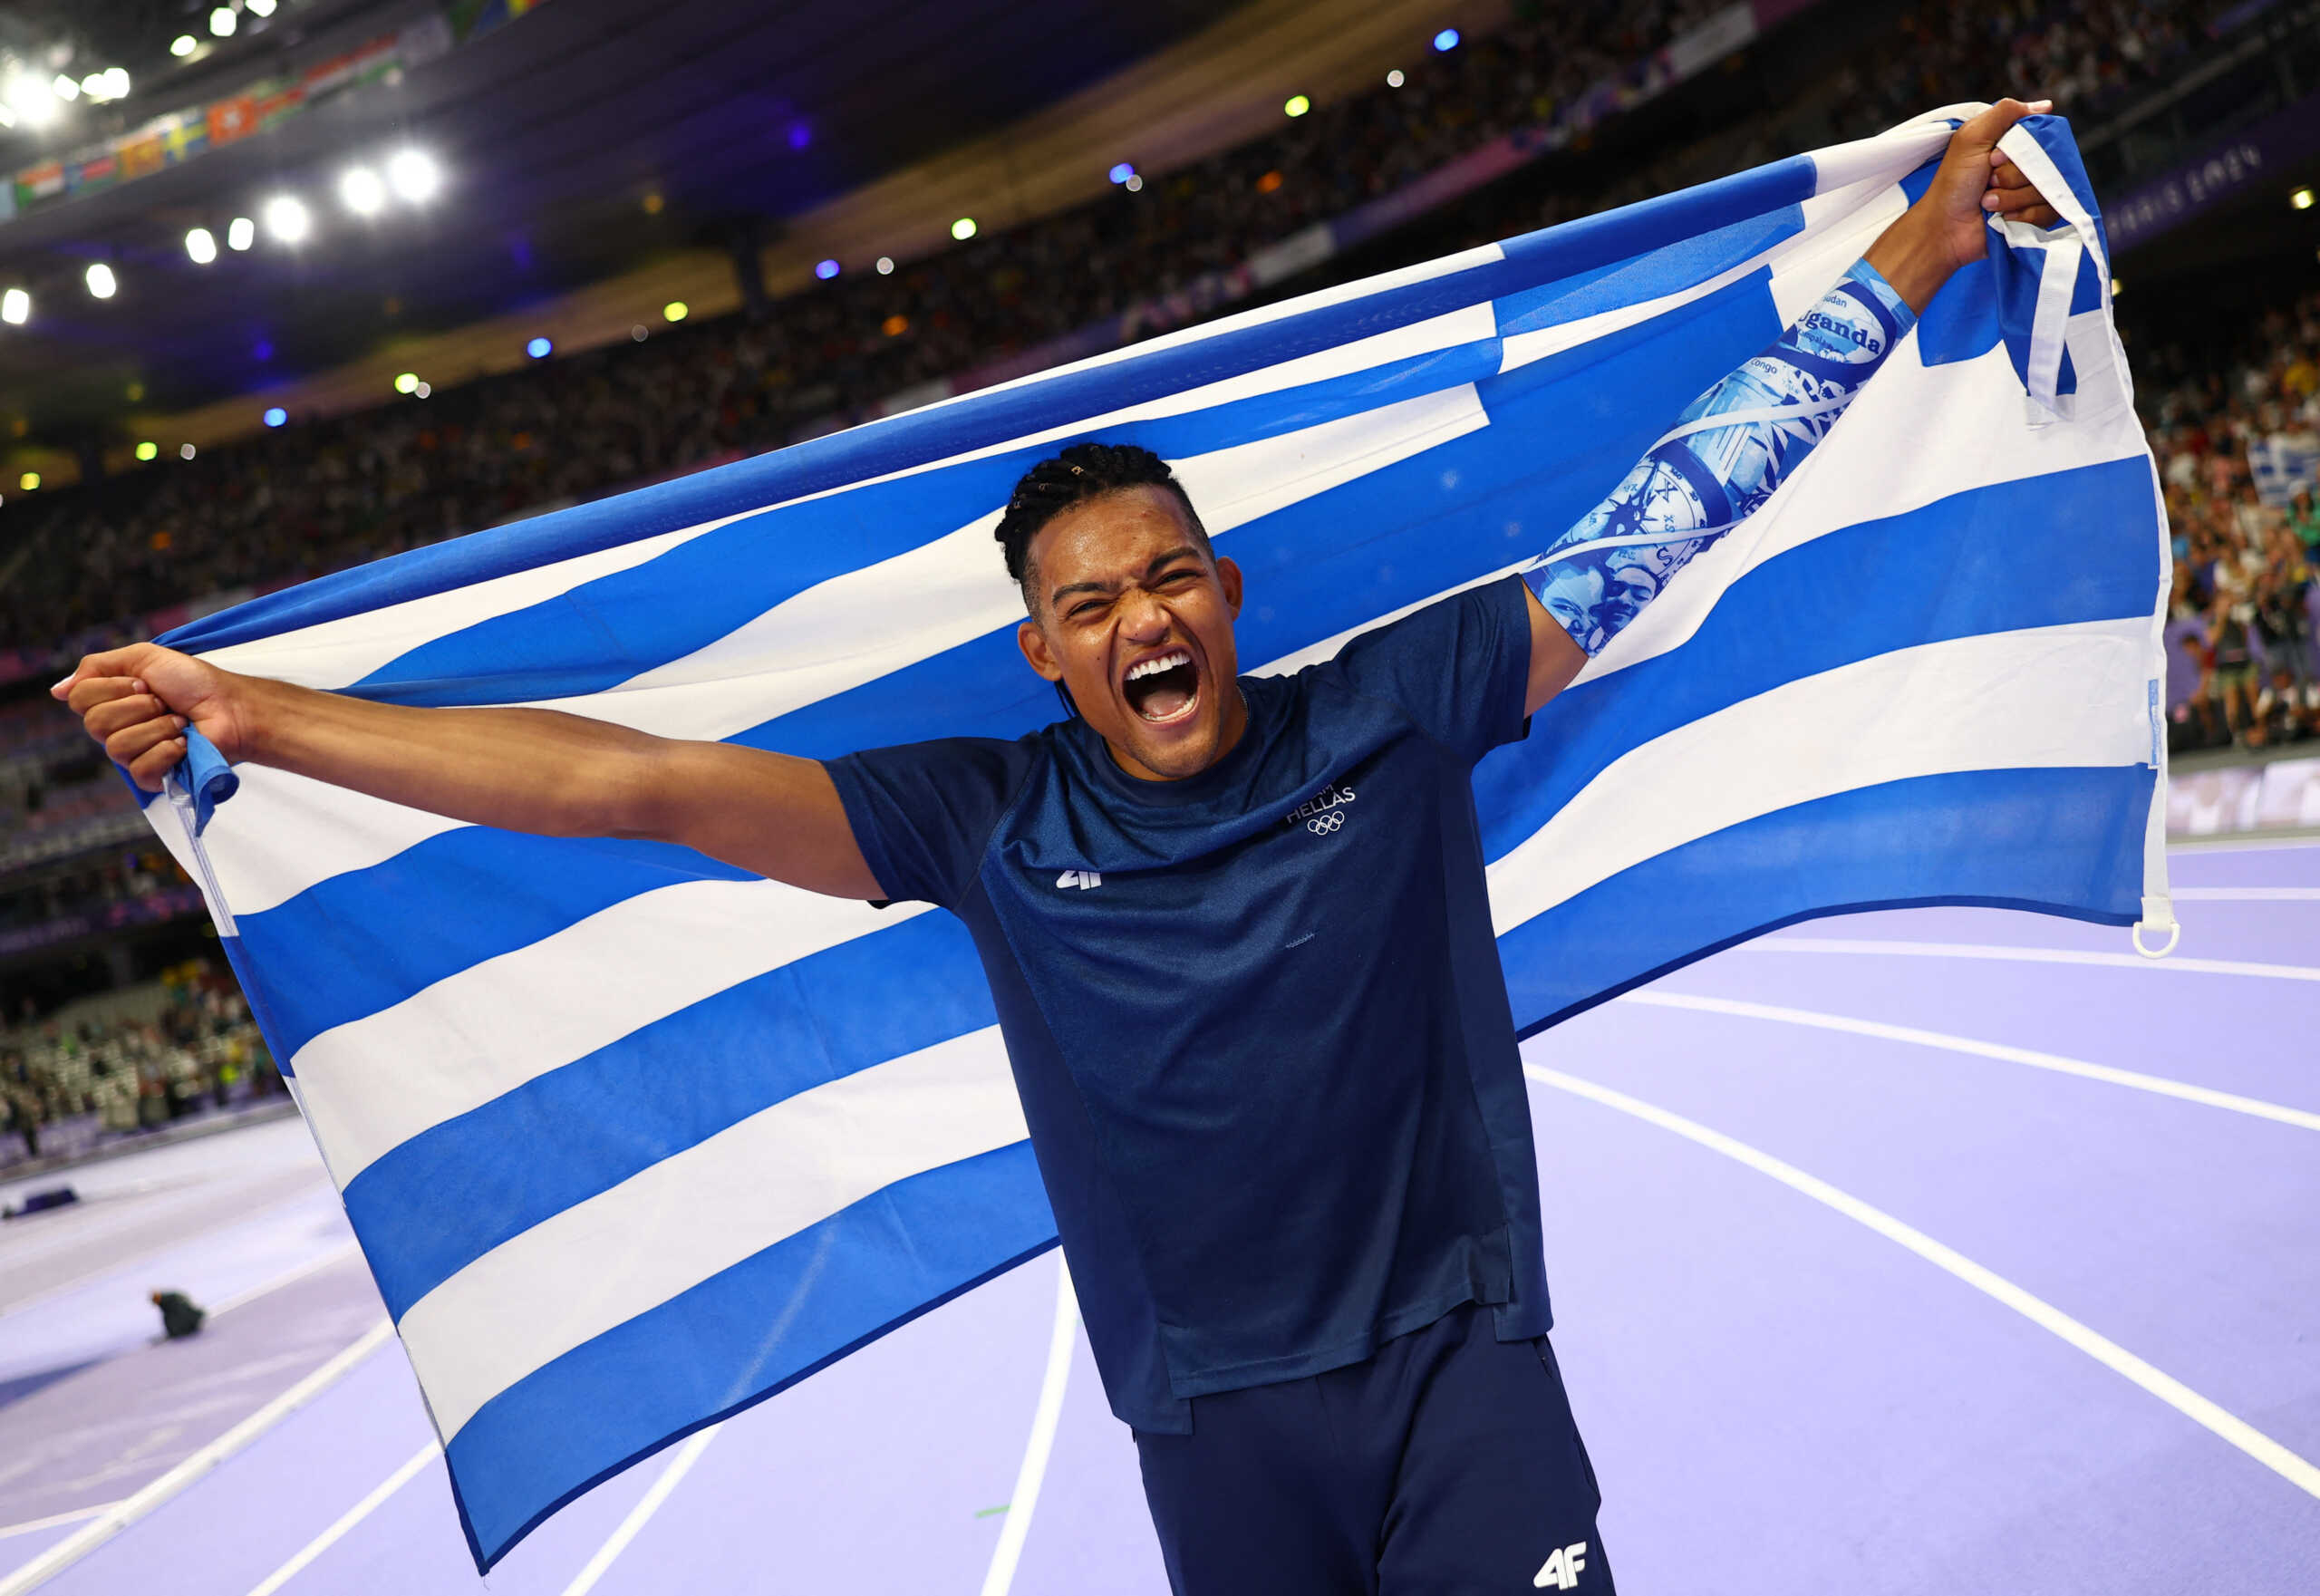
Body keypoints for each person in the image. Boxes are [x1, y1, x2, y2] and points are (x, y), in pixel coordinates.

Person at [55, 102, 2060, 1596]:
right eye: (1092, 603)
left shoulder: (1395, 697)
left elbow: (1671, 509)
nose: (1141, 619)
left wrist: (1910, 252)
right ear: (1042, 651)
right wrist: (259, 715)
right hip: (1211, 1423)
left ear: (1228, 593)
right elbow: (625, 784)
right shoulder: (985, 813)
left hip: (1460, 1358)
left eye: (1169, 576)